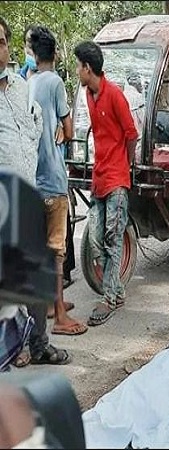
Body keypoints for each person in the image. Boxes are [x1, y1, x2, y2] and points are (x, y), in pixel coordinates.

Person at [0, 16, 71, 365]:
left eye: (1, 42)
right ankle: (12, 350)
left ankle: (39, 345)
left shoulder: (21, 86)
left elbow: (37, 125)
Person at [28, 26, 88, 336]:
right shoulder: (55, 83)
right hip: (52, 176)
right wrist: (63, 132)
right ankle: (61, 316)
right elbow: (68, 127)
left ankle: (51, 305)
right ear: (54, 53)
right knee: (57, 250)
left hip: (31, 177)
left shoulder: (27, 82)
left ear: (34, 54)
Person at [74, 41, 138, 326]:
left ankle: (110, 297)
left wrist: (126, 164)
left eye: (78, 66)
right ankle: (117, 291)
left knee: (113, 238)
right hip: (99, 177)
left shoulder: (115, 95)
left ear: (88, 68)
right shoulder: (89, 95)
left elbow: (131, 133)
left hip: (116, 179)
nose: (77, 71)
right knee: (95, 239)